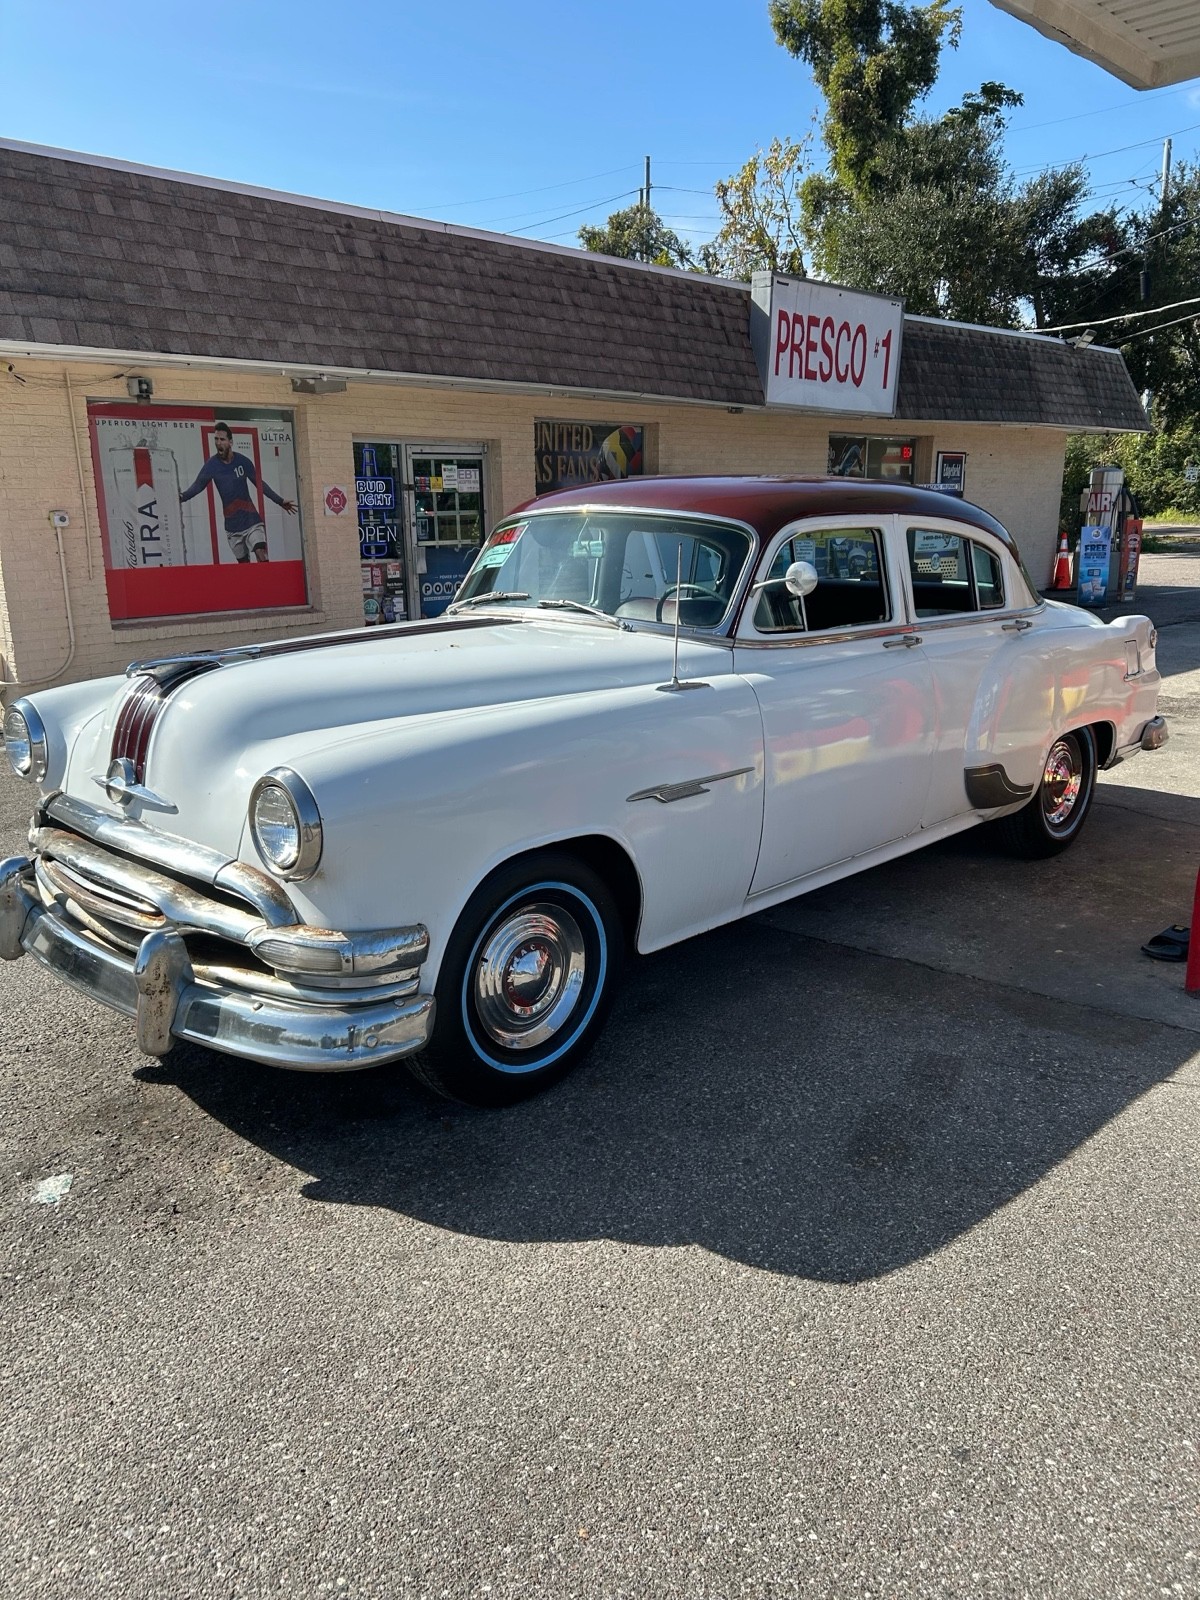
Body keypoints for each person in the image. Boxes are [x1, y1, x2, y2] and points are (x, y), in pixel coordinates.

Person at [179, 422, 296, 562]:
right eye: (216, 439)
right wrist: (181, 497)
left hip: (251, 521)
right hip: (232, 527)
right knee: (244, 567)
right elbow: (198, 486)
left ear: (230, 442)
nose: (218, 443)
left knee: (261, 553)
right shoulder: (211, 465)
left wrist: (280, 501)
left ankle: (268, 582)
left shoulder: (243, 462)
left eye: (222, 439)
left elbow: (260, 484)